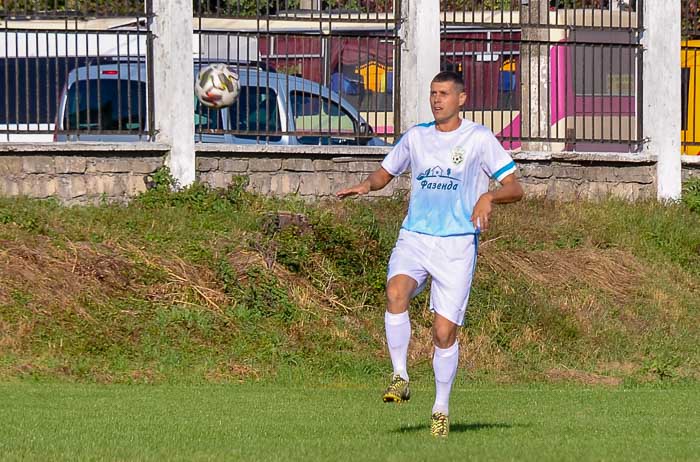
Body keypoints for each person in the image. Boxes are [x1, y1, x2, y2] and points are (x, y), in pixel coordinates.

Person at [335, 71, 523, 438]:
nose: (437, 100)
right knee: (395, 292)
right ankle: (400, 376)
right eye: (432, 93)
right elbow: (385, 173)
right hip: (416, 238)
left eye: (444, 94)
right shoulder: (416, 137)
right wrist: (366, 185)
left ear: (461, 99)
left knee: (443, 333)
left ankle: (440, 407)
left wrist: (488, 196)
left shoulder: (479, 139)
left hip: (456, 245)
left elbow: (515, 187)